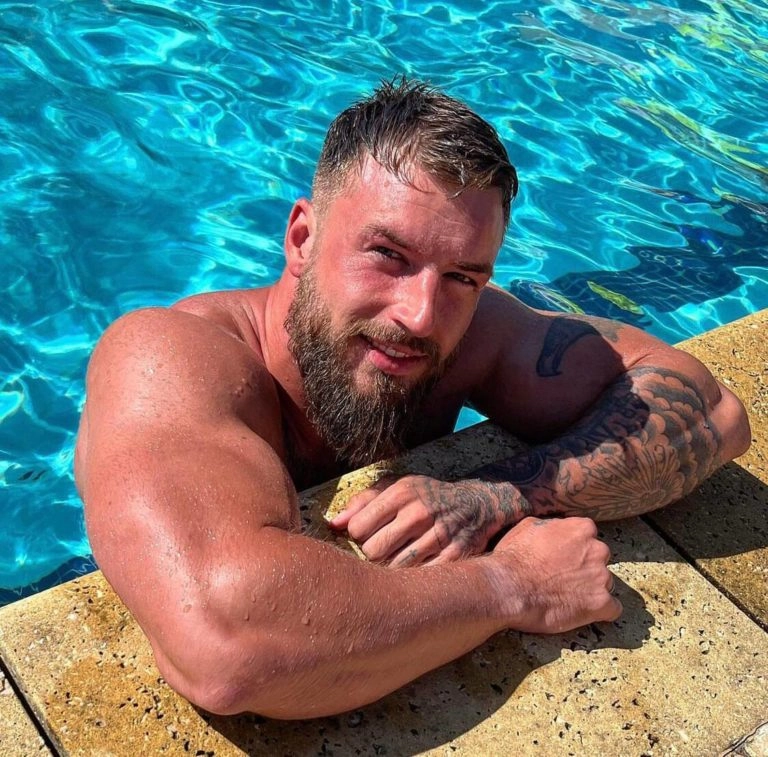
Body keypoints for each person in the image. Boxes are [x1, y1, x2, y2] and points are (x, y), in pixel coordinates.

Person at [74, 77, 750, 720]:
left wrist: (497, 495)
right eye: (388, 255)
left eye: (462, 276)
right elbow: (228, 644)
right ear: (303, 239)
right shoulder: (169, 355)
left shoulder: (472, 331)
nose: (422, 316)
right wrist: (514, 583)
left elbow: (714, 410)